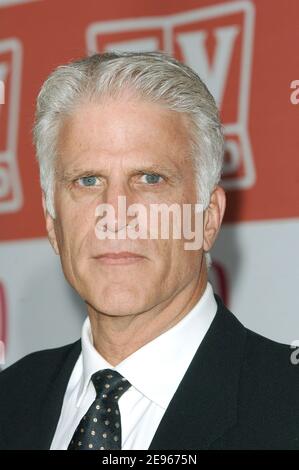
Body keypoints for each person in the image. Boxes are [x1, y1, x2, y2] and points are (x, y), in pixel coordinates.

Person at [0, 52, 298, 450]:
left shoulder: (287, 405)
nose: (116, 214)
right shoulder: (10, 400)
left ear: (208, 219)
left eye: (150, 179)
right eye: (88, 180)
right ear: (53, 222)